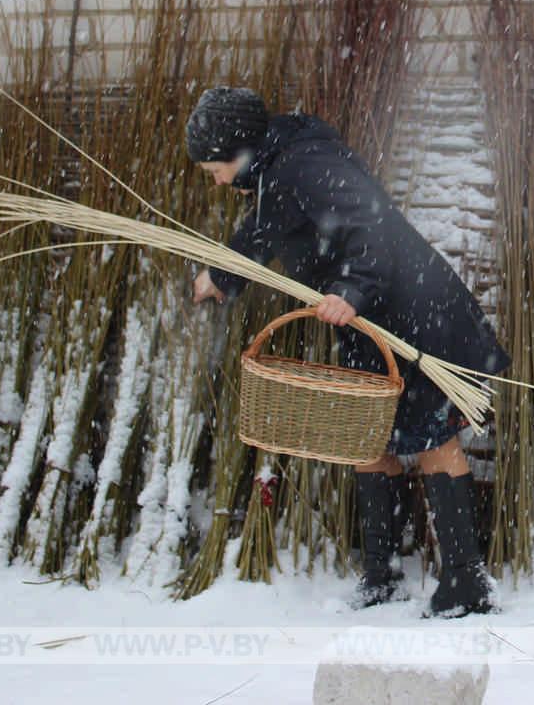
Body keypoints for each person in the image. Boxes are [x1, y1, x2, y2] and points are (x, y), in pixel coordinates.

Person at [184, 86, 509, 617]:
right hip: (371, 323)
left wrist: (352, 290)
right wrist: (218, 275)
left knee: (432, 441)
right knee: (369, 439)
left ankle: (467, 584)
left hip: (410, 314)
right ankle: (381, 577)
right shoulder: (279, 168)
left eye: (215, 168)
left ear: (239, 152)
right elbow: (264, 230)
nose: (217, 180)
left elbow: (374, 227)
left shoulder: (306, 163)